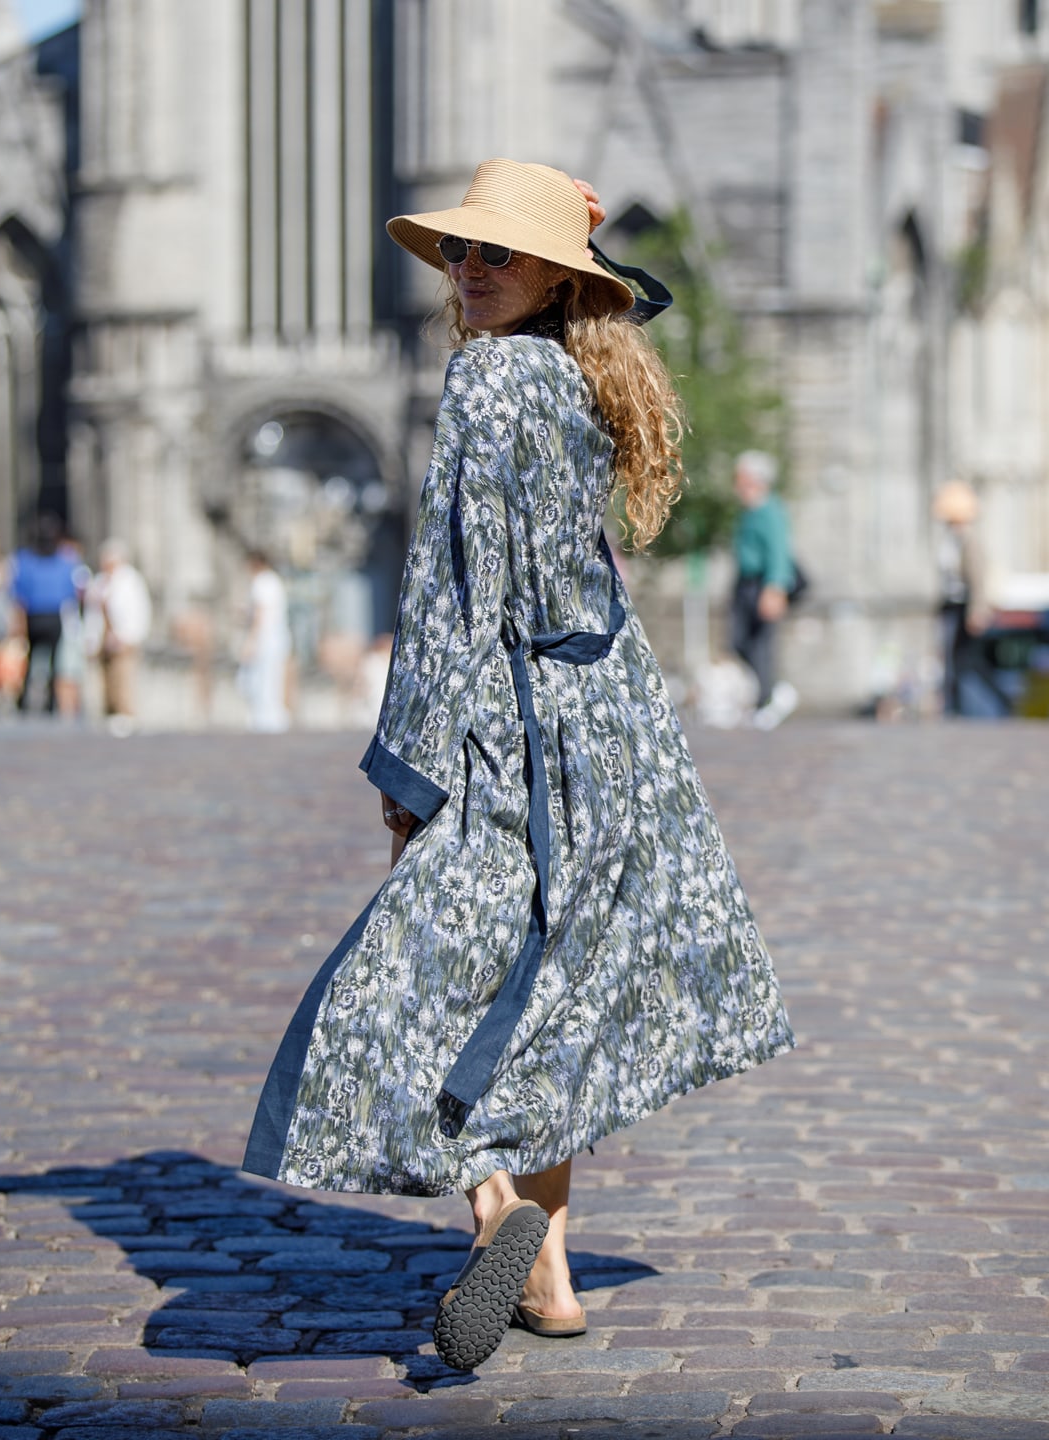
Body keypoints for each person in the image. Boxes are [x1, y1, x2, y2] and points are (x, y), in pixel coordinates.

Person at [243, 159, 795, 1372]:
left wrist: (410, 765)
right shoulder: (582, 382)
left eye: (495, 253)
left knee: (406, 989)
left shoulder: (489, 381)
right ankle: (546, 1283)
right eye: (458, 253)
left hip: (513, 729)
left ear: (554, 275)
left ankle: (501, 1213)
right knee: (535, 992)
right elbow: (585, 576)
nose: (469, 271)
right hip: (613, 728)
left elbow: (452, 590)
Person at [730, 450, 799, 729]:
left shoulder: (770, 510)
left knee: (761, 644)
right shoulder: (751, 511)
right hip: (745, 583)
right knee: (739, 641)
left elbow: (778, 552)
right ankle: (771, 692)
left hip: (762, 583)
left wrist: (775, 588)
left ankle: (768, 699)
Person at [932, 479, 998, 716]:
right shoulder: (952, 541)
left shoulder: (970, 542)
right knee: (956, 659)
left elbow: (978, 579)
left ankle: (995, 702)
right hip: (951, 605)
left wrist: (977, 611)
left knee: (968, 661)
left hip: (965, 606)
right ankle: (956, 705)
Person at [8, 513, 79, 715]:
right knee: (53, 659)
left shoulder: (26, 560)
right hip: (51, 616)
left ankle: (26, 701)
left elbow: (19, 592)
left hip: (36, 615)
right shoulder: (64, 562)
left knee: (33, 658)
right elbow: (70, 592)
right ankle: (50, 702)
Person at [85, 538, 151, 734]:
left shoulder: (130, 581)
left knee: (123, 678)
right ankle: (109, 714)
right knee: (105, 681)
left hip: (123, 638)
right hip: (103, 639)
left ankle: (126, 716)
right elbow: (92, 612)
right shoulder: (100, 581)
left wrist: (131, 636)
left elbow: (138, 611)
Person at [238, 549, 292, 733]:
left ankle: (265, 719)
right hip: (278, 637)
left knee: (262, 681)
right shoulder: (274, 581)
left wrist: (251, 641)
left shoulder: (261, 582)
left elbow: (261, 614)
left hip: (266, 638)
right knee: (273, 680)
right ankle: (273, 717)